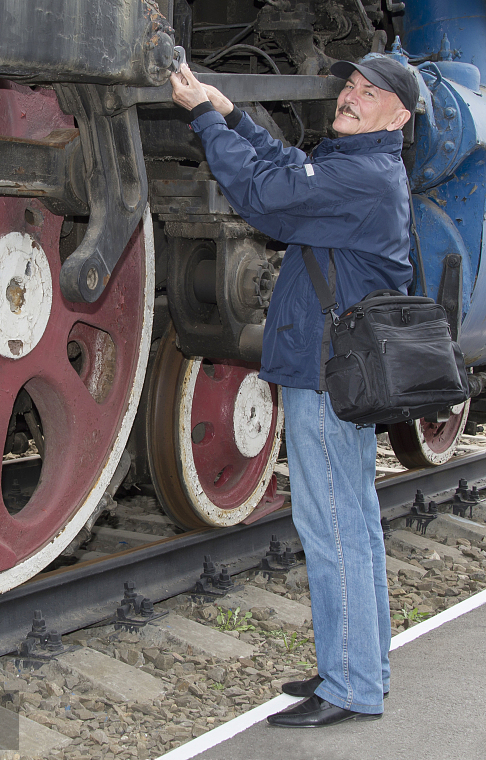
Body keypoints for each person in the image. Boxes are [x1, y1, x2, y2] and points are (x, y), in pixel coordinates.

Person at [169, 54, 417, 728]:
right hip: (334, 368)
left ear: (400, 115)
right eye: (349, 86)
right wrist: (232, 115)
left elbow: (266, 196)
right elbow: (287, 169)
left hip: (327, 372)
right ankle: (360, 668)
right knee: (353, 523)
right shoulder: (357, 168)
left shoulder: (360, 177)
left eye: (370, 92)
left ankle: (349, 688)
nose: (350, 96)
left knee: (331, 524)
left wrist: (199, 119)